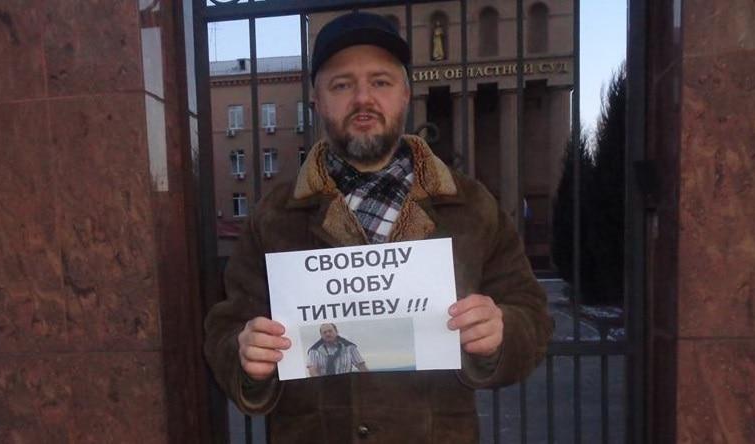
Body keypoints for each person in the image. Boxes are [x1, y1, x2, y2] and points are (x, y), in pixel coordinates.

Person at [204, 11, 553, 443]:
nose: (363, 99)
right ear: (317, 100)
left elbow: (532, 315)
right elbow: (226, 326)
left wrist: (502, 332)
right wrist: (244, 355)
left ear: (405, 94)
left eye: (381, 82)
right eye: (341, 85)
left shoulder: (470, 206)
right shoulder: (273, 216)